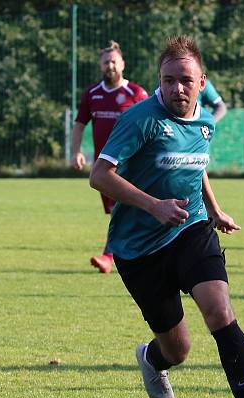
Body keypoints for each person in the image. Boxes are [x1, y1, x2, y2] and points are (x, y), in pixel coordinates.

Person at [89, 36, 244, 398]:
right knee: (178, 349)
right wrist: (153, 206)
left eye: (186, 81)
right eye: (168, 80)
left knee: (220, 311)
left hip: (191, 230)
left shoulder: (204, 119)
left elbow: (196, 165)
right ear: (159, 80)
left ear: (201, 81)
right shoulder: (140, 119)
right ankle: (153, 360)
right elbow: (99, 175)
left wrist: (215, 208)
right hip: (138, 248)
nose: (177, 89)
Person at [71, 40, 148, 274]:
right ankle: (136, 252)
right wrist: (76, 151)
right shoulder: (92, 94)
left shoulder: (136, 93)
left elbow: (149, 125)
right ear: (100, 66)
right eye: (106, 63)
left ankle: (108, 256)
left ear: (122, 64)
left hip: (132, 163)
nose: (110, 66)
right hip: (104, 165)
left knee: (122, 209)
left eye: (114, 62)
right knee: (122, 211)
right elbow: (80, 124)